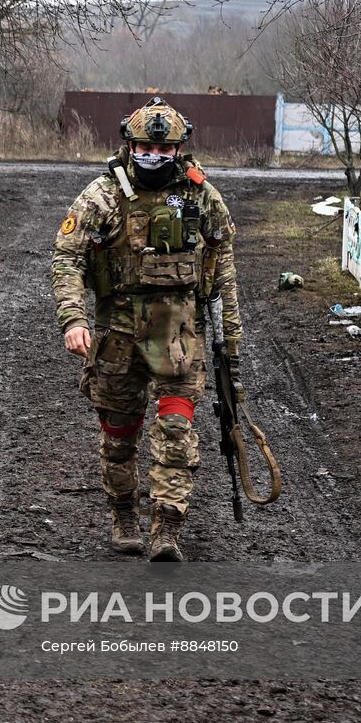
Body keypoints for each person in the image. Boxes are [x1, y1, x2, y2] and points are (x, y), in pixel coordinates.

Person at [50, 97, 243, 562]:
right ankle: (123, 516)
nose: (153, 157)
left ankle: (166, 528)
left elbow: (223, 272)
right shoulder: (102, 196)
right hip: (117, 335)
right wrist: (73, 318)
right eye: (143, 148)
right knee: (120, 434)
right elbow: (67, 258)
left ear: (179, 149)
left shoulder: (201, 196)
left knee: (176, 429)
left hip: (179, 336)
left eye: (163, 149)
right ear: (129, 145)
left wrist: (230, 342)